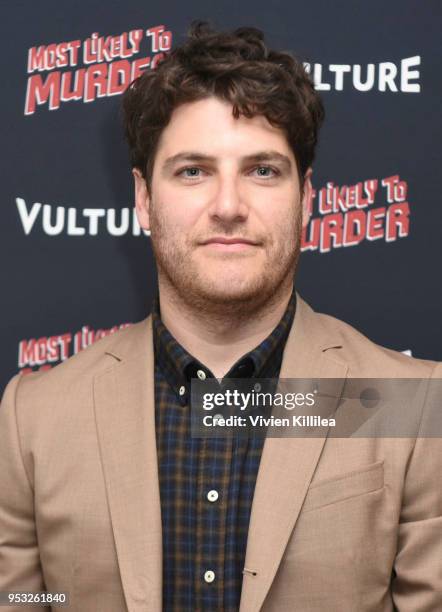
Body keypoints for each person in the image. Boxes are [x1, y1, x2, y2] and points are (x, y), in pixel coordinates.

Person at [0, 20, 441, 612]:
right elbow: (28, 602)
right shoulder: (34, 419)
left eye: (262, 170)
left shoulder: (407, 406)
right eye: (192, 171)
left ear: (307, 197)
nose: (228, 207)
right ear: (143, 199)